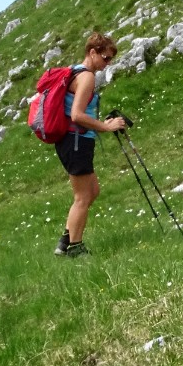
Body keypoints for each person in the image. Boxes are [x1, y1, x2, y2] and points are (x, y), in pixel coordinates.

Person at [55, 33, 127, 257]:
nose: (108, 64)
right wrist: (105, 127)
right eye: (105, 58)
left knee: (93, 191)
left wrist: (99, 124)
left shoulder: (76, 71)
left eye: (111, 60)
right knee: (82, 197)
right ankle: (74, 248)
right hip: (76, 141)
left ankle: (65, 241)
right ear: (92, 52)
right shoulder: (86, 77)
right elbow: (76, 115)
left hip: (75, 140)